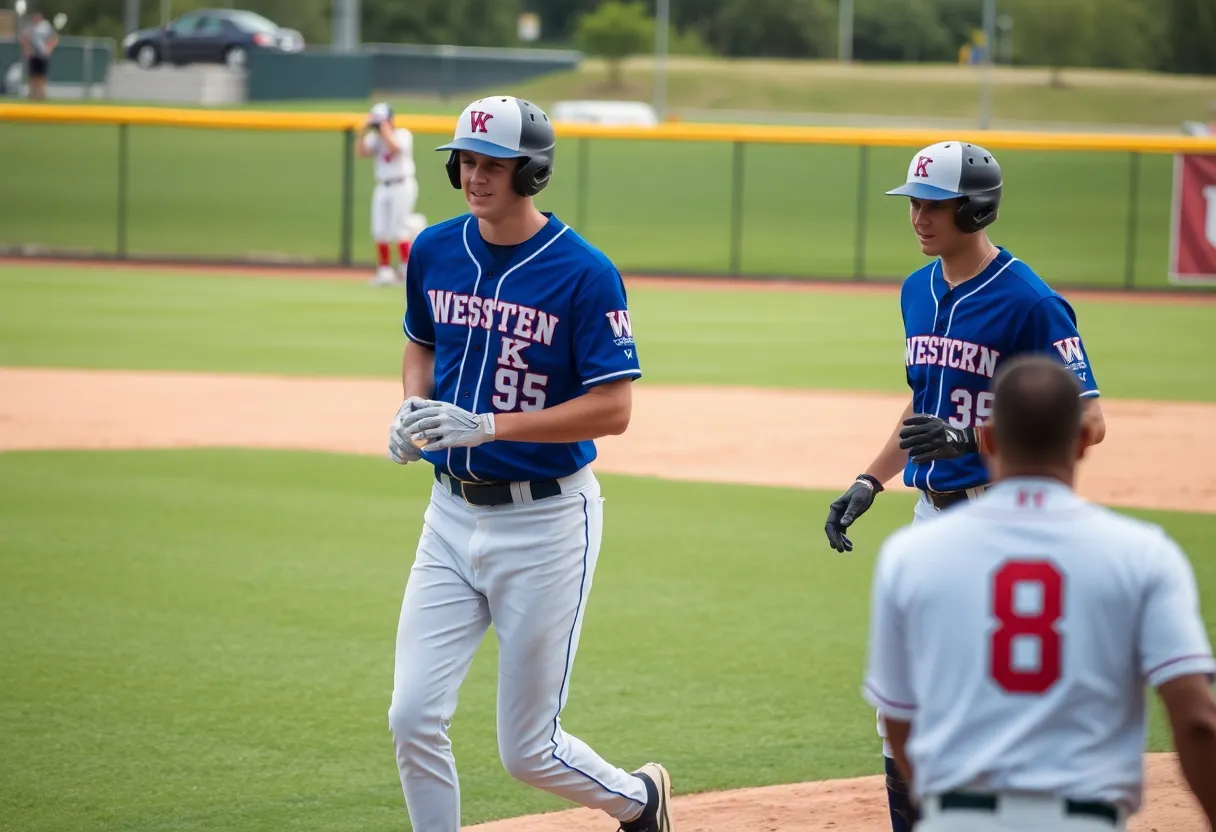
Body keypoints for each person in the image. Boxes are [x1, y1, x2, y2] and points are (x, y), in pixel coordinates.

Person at [383, 95, 674, 832]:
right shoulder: (435, 249)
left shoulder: (584, 273)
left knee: (527, 751)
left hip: (546, 524)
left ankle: (640, 802)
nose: (476, 176)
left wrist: (487, 424)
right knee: (411, 715)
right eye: (467, 162)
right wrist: (412, 410)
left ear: (532, 172)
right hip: (448, 517)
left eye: (494, 164)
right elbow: (421, 342)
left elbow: (615, 409)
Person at [822, 140, 1109, 832]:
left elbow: (1088, 422)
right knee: (904, 704)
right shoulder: (916, 290)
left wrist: (977, 440)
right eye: (914, 203)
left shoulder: (1030, 302)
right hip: (933, 516)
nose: (918, 216)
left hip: (1005, 519)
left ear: (975, 208)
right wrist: (870, 479)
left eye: (934, 205)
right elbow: (924, 408)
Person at [861, 355, 1216, 831]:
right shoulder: (1143, 554)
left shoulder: (912, 555)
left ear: (985, 440)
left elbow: (901, 721)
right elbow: (1196, 721)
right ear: (1084, 439)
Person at [356, 102, 423, 287]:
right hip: (383, 186)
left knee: (399, 228)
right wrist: (362, 131)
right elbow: (360, 152)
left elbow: (394, 148)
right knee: (380, 229)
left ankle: (405, 269)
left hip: (402, 183)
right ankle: (384, 271)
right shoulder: (375, 138)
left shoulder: (402, 134)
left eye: (382, 121)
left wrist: (384, 129)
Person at [20, 11, 57, 101]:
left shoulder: (46, 27)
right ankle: (32, 94)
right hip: (34, 54)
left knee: (42, 76)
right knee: (32, 75)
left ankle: (42, 94)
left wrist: (49, 48)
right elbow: (24, 37)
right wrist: (27, 49)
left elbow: (54, 38)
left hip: (43, 54)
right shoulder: (30, 27)